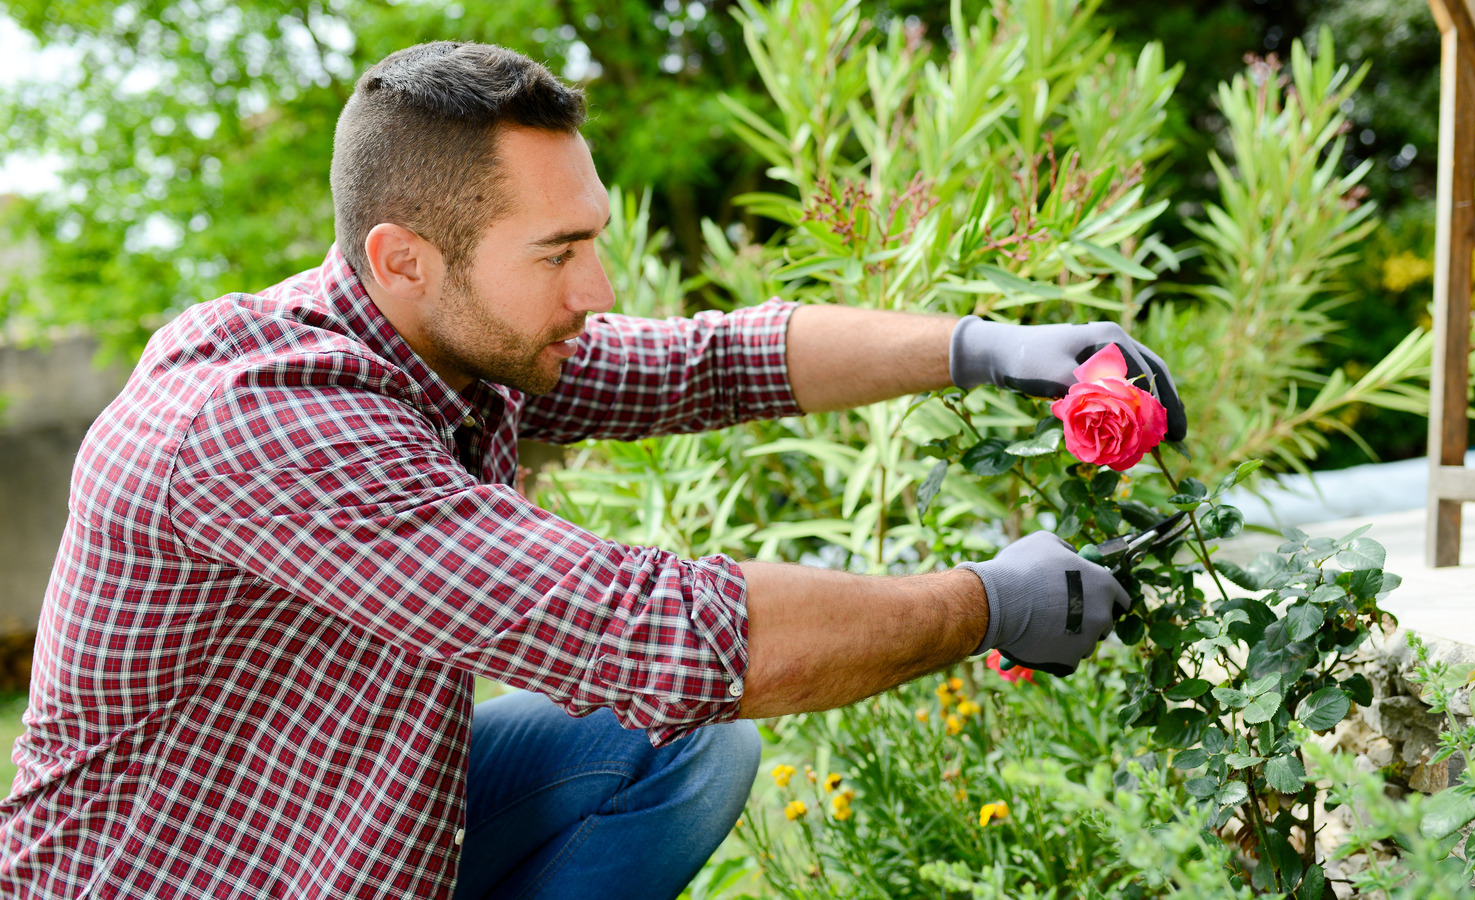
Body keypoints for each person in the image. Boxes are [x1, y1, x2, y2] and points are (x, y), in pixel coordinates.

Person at [0, 41, 1186, 900]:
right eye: (559, 253)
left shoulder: (447, 336)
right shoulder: (269, 424)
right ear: (403, 257)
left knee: (674, 753)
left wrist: (986, 351)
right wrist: (990, 602)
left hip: (342, 841)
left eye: (594, 242)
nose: (598, 291)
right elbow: (666, 634)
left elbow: (706, 363)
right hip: (173, 878)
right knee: (681, 698)